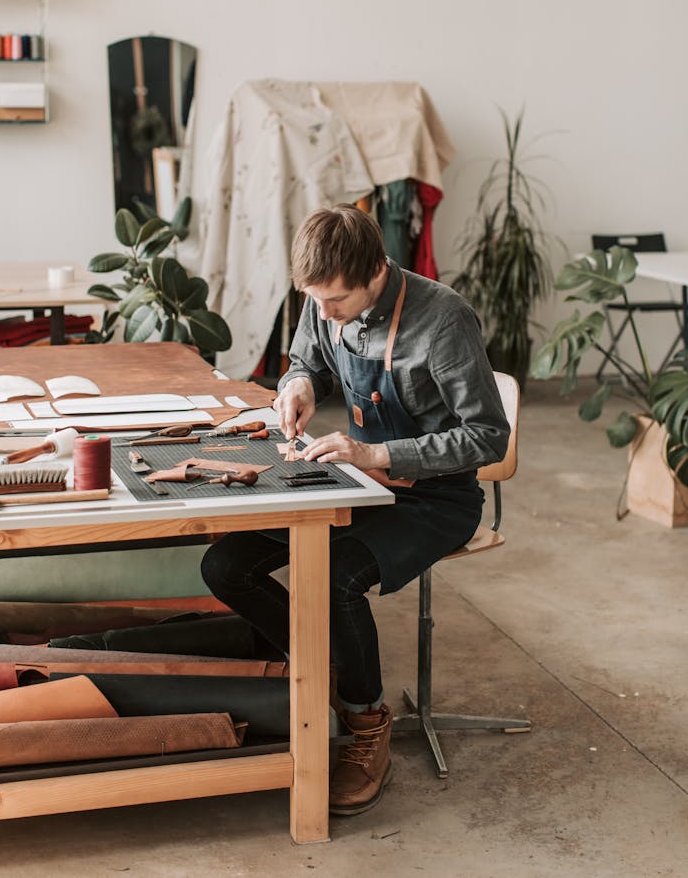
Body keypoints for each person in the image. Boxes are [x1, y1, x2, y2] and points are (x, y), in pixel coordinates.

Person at [201, 204, 510, 816]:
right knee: (225, 565)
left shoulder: (442, 319)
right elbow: (305, 360)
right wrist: (298, 387)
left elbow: (487, 437)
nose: (324, 313)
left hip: (437, 496)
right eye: (314, 301)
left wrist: (375, 452)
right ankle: (326, 672)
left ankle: (367, 724)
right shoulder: (324, 298)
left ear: (374, 270)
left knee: (335, 578)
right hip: (358, 477)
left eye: (337, 301)